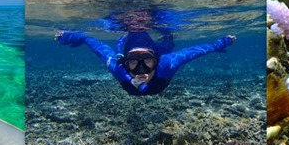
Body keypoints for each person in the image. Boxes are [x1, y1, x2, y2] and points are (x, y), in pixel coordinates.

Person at [55, 30, 236, 95]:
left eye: (147, 61)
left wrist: (220, 43)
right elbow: (91, 42)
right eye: (133, 62)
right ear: (125, 63)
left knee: (166, 44)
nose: (141, 69)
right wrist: (73, 37)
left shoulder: (166, 63)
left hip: (160, 52)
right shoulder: (118, 68)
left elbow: (196, 52)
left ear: (155, 60)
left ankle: (166, 38)